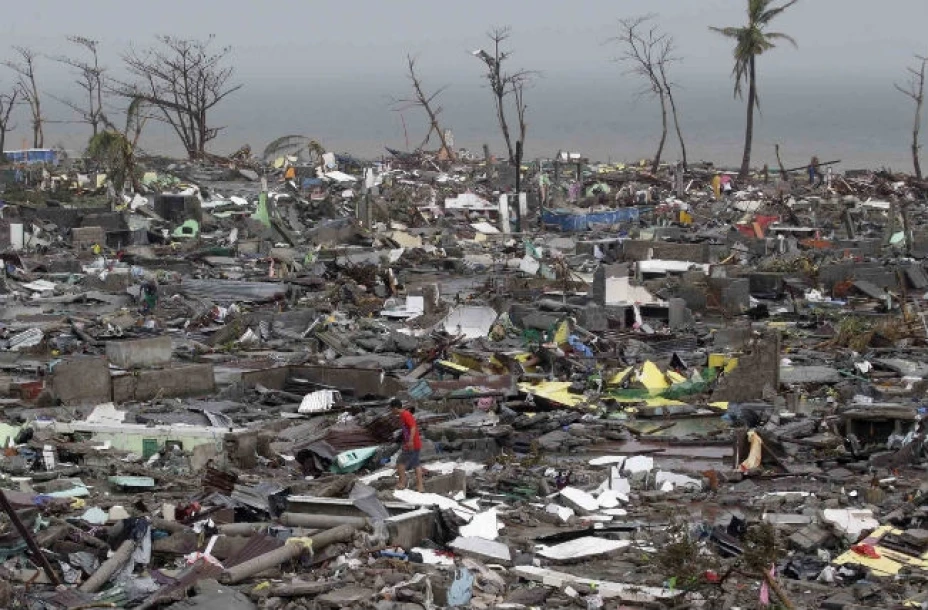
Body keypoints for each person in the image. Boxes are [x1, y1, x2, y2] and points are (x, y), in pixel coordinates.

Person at [391, 397, 424, 492]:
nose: (392, 411)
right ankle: (420, 486)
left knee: (400, 462)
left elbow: (413, 427)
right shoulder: (403, 415)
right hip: (415, 443)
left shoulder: (406, 415)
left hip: (412, 444)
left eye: (392, 409)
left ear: (395, 408)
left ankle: (402, 483)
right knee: (416, 464)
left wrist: (410, 441)